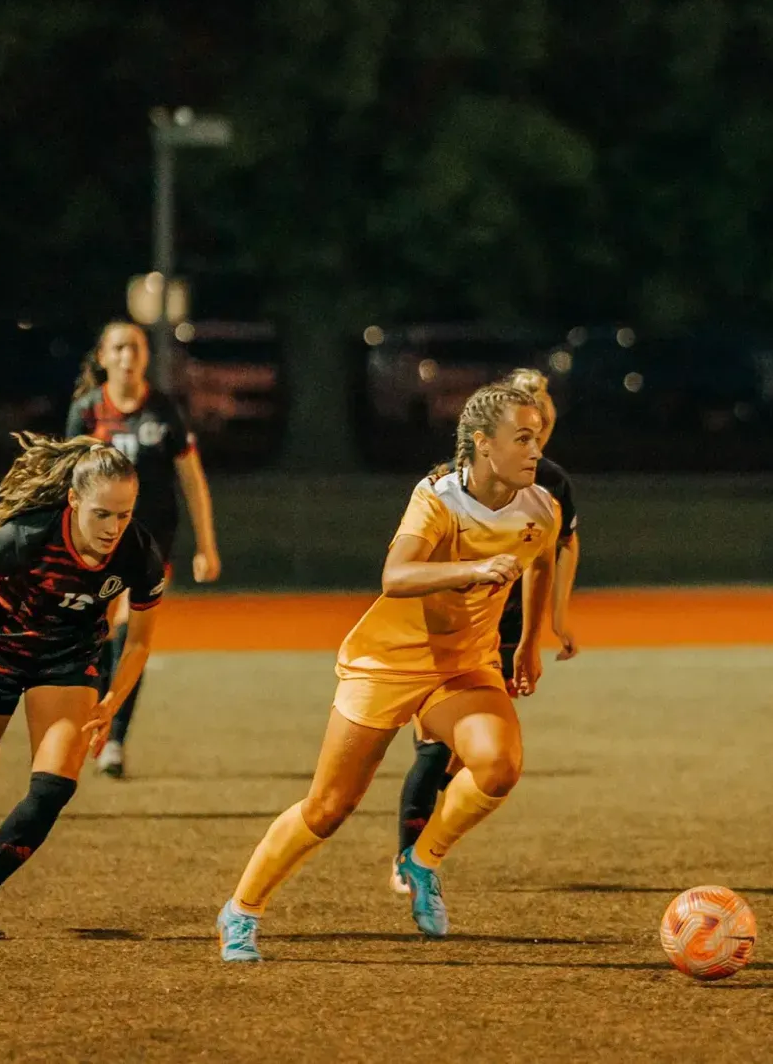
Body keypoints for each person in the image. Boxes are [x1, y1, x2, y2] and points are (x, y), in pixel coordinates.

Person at [216, 382, 560, 962]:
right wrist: (474, 569)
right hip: (387, 663)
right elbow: (395, 576)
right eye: (522, 439)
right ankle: (241, 910)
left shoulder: (541, 508)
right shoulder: (438, 499)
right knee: (328, 808)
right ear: (483, 443)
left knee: (498, 767)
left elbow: (543, 560)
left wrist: (528, 641)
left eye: (538, 439)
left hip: (463, 665)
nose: (536, 451)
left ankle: (421, 860)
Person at [0, 433, 165, 940]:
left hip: (66, 662)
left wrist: (112, 701)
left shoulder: (140, 552)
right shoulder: (29, 534)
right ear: (74, 500)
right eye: (102, 514)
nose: (113, 528)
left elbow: (139, 643)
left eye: (124, 515)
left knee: (54, 788)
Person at [389, 366, 582, 892]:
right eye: (526, 426)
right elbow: (407, 566)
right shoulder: (453, 483)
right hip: (446, 631)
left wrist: (535, 637)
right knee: (434, 747)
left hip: (504, 631)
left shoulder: (550, 485)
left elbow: (550, 556)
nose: (536, 436)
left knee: (470, 756)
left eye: (543, 423)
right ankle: (408, 855)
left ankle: (424, 849)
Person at [66, 321, 219, 779]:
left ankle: (114, 739)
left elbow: (192, 478)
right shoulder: (87, 410)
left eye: (135, 347)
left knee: (128, 633)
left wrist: (206, 545)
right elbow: (66, 481)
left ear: (146, 356)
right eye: (118, 348)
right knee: (97, 637)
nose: (127, 356)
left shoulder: (164, 410)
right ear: (103, 357)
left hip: (150, 543)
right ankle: (92, 721)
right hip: (97, 543)